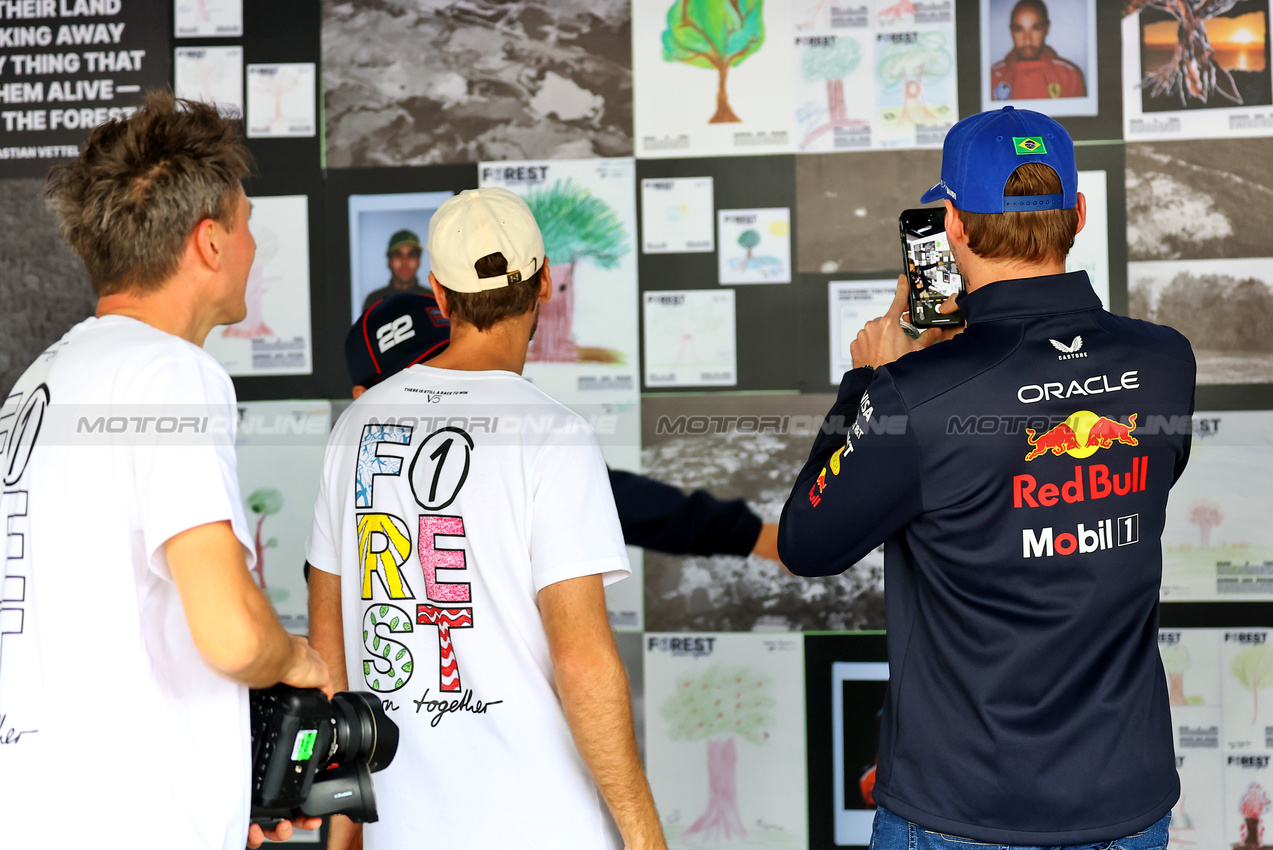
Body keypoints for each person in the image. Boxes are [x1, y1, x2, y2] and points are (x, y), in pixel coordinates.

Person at [778, 106, 1194, 847]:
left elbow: (807, 541)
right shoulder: (1165, 362)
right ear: (1077, 212)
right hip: (1128, 802)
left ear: (951, 224)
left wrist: (866, 384)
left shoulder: (916, 393)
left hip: (962, 810)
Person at [0, 92, 330, 849]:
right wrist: (301, 660)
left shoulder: (41, 382)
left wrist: (219, 797)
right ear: (209, 242)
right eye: (247, 225)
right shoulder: (169, 374)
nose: (252, 247)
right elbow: (234, 637)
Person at [306, 188, 666, 850]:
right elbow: (582, 663)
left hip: (404, 831)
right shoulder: (553, 435)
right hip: (543, 828)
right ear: (545, 284)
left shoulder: (354, 428)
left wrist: (343, 837)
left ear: (438, 297)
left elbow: (329, 657)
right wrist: (646, 838)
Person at [343, 291, 783, 560]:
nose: (444, 382)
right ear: (363, 402)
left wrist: (750, 535)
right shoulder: (345, 482)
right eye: (414, 377)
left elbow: (618, 501)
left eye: (450, 360)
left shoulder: (507, 440)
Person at [990, 0, 1086, 100]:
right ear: (1011, 31)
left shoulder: (1070, 76)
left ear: (1046, 28)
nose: (1027, 40)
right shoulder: (992, 77)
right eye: (1019, 29)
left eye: (1036, 28)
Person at [360, 228, 428, 314]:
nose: (405, 262)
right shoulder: (374, 301)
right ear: (389, 261)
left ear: (419, 261)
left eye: (411, 254)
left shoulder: (432, 299)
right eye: (398, 254)